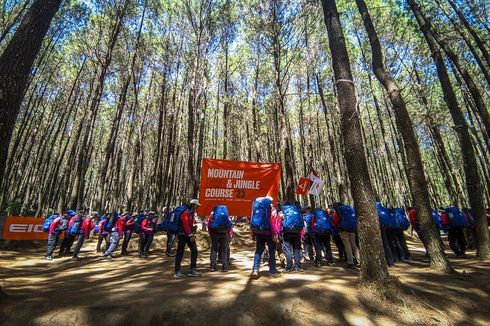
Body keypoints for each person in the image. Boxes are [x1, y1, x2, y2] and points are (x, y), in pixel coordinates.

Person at [250, 197, 280, 279]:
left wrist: (253, 233)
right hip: (269, 233)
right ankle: (272, 271)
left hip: (259, 232)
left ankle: (255, 270)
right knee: (272, 251)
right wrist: (275, 234)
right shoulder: (272, 209)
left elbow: (252, 220)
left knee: (258, 250)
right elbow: (274, 223)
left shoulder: (256, 207)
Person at [174, 199, 202, 278]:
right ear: (193, 205)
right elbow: (185, 224)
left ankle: (192, 270)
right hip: (182, 235)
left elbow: (189, 224)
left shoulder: (191, 213)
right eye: (197, 206)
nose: (197, 207)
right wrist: (190, 235)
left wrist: (193, 228)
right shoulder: (186, 212)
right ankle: (177, 271)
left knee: (194, 251)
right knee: (180, 252)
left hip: (188, 234)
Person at [334, 202, 360, 269]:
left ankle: (350, 262)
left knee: (347, 246)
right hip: (352, 229)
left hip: (344, 230)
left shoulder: (339, 210)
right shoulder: (349, 208)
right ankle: (359, 261)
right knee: (354, 245)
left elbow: (337, 220)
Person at [207, 205, 233, 272]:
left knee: (214, 249)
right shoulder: (226, 214)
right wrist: (227, 232)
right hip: (224, 233)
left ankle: (212, 266)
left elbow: (209, 224)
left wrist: (211, 234)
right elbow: (230, 224)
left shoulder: (213, 214)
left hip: (215, 233)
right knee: (223, 249)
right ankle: (225, 267)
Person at [280, 202, 304, 272]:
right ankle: (298, 267)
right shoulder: (297, 211)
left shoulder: (283, 212)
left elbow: (279, 223)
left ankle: (289, 267)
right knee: (296, 250)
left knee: (288, 251)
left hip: (287, 233)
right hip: (296, 232)